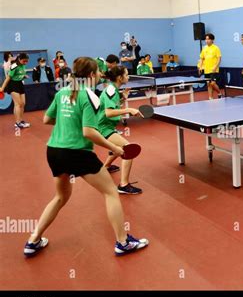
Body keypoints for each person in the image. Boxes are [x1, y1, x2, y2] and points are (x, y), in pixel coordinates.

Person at [23, 57, 149, 257]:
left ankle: (33, 240)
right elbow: (89, 132)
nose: (101, 74)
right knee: (111, 193)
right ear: (91, 75)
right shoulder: (89, 96)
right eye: (98, 72)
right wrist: (113, 148)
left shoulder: (63, 92)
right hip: (78, 153)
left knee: (60, 197)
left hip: (54, 151)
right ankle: (122, 242)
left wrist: (69, 121)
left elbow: (47, 119)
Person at [98, 66, 144, 194]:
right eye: (127, 74)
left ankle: (106, 167)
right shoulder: (111, 91)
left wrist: (123, 98)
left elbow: (113, 106)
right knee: (129, 149)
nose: (128, 77)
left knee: (116, 148)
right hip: (103, 127)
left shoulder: (114, 90)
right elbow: (108, 112)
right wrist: (129, 110)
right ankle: (123, 185)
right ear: (119, 77)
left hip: (106, 126)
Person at [0, 53, 31, 129]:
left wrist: (23, 77)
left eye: (27, 61)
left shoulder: (23, 65)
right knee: (18, 104)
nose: (25, 63)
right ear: (19, 59)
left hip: (20, 84)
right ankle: (18, 123)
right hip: (12, 84)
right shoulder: (14, 66)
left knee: (23, 103)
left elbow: (19, 74)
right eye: (24, 61)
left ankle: (21, 120)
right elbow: (8, 78)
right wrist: (2, 88)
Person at [198, 33, 223, 100]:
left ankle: (219, 92)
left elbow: (219, 58)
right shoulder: (204, 48)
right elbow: (202, 58)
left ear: (212, 40)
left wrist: (216, 66)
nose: (207, 40)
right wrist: (200, 66)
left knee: (212, 83)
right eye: (206, 39)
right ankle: (210, 97)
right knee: (208, 84)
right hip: (206, 69)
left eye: (208, 39)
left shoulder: (216, 48)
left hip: (213, 69)